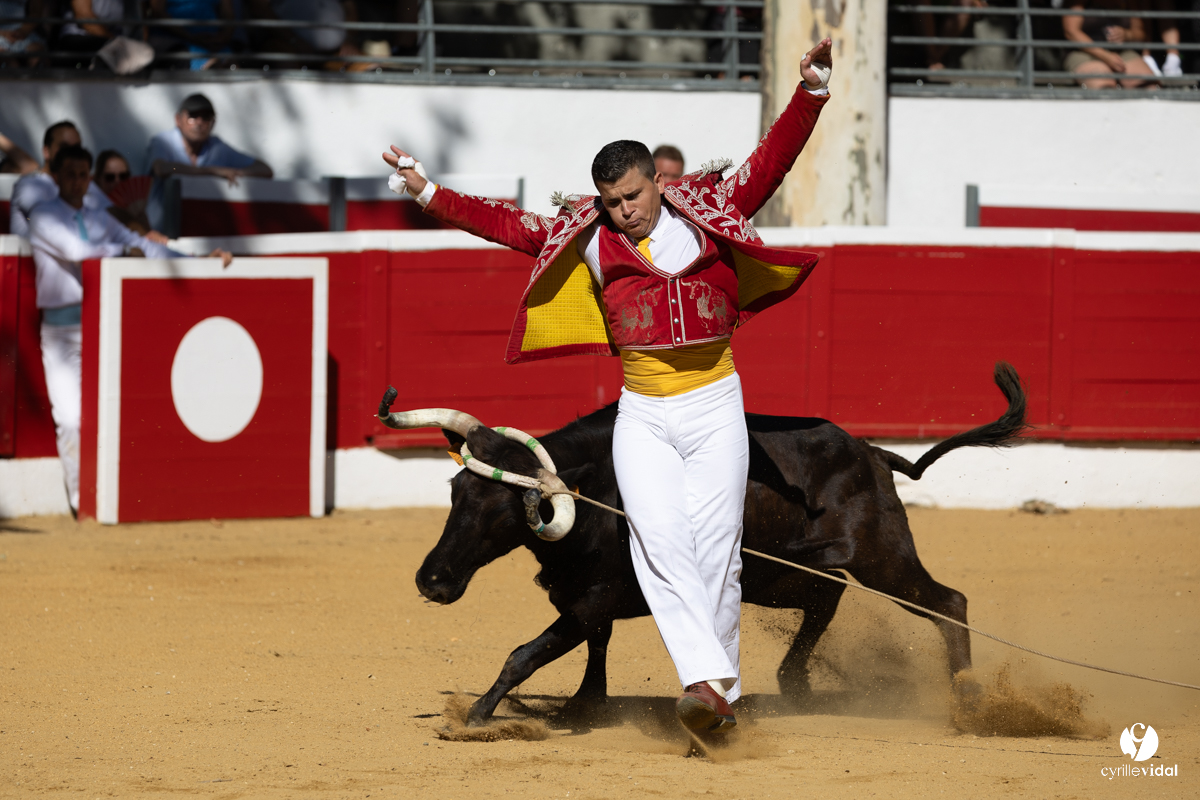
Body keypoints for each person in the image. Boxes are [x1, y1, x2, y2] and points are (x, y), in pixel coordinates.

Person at [384, 37, 833, 737]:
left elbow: (771, 162)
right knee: (657, 542)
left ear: (657, 181)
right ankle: (703, 685)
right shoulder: (588, 233)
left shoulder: (711, 207)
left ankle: (719, 692)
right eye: (612, 201)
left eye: (633, 196)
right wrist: (428, 192)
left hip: (715, 403)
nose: (624, 210)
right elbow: (507, 224)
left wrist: (810, 92)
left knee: (717, 552)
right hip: (645, 411)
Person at [29, 144, 231, 514]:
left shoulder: (98, 218)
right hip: (62, 332)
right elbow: (76, 251)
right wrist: (121, 253)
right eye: (70, 174)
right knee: (71, 419)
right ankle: (83, 504)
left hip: (105, 326)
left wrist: (196, 260)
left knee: (119, 414)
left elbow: (143, 246)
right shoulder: (43, 215)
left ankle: (114, 498)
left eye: (82, 175)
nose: (77, 182)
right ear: (55, 176)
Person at [145, 93, 273, 229]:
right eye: (193, 116)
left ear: (213, 123)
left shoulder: (217, 147)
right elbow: (163, 169)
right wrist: (214, 171)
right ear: (178, 119)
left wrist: (234, 173)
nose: (199, 122)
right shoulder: (163, 141)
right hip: (159, 232)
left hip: (202, 232)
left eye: (206, 117)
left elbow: (264, 170)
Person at [10, 120, 113, 239]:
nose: (71, 153)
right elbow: (54, 226)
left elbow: (116, 217)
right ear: (46, 152)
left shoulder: (84, 182)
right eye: (64, 148)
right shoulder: (29, 186)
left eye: (76, 148)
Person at [1063, 0, 1156, 88]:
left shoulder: (1130, 2)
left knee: (1149, 86)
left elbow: (1141, 34)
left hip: (1121, 51)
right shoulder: (1078, 3)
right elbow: (1071, 32)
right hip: (1083, 52)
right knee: (1104, 87)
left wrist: (1127, 34)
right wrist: (1105, 56)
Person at [0, 0, 46, 64]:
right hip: (1, 34)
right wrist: (4, 33)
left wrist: (23, 31)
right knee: (7, 59)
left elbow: (36, 12)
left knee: (39, 56)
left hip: (22, 31)